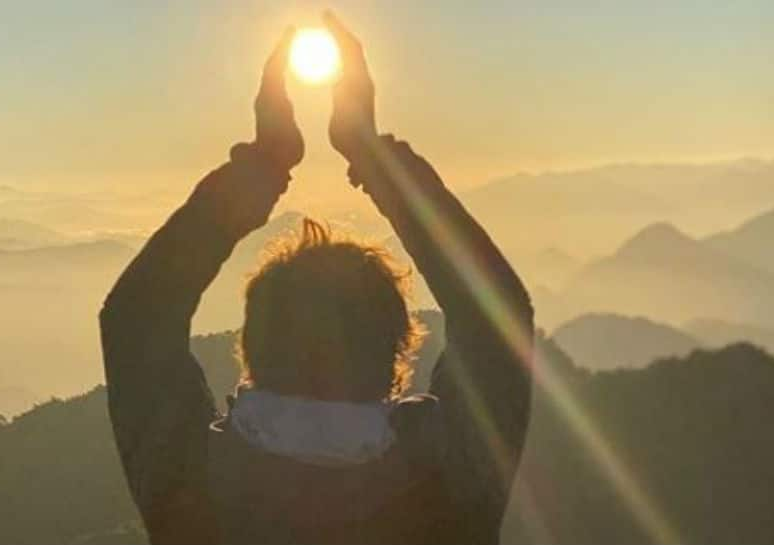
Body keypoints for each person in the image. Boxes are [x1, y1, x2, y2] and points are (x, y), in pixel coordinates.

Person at [99, 12, 533, 545]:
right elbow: (497, 318)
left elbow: (138, 317)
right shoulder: (452, 481)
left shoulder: (191, 483)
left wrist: (263, 166)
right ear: (396, 354)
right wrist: (371, 155)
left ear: (252, 350)